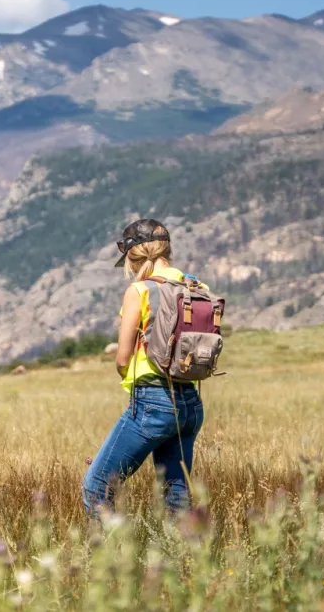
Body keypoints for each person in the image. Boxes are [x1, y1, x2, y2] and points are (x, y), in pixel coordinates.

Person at [82, 219, 206, 516]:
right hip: (190, 402)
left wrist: (132, 380)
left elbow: (122, 359)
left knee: (97, 486)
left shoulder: (140, 291)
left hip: (153, 402)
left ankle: (109, 559)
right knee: (177, 496)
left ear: (132, 257)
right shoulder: (196, 286)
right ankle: (184, 559)